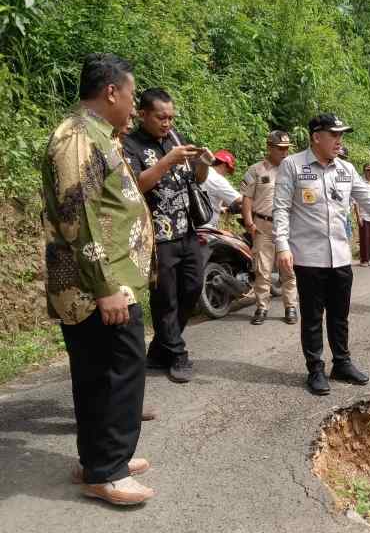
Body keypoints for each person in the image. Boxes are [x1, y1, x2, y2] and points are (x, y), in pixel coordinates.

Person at [42, 53, 155, 505]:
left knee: (99, 373)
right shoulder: (76, 138)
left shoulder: (96, 135)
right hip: (99, 287)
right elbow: (80, 218)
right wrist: (106, 288)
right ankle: (106, 470)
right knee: (116, 372)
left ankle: (103, 458)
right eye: (130, 95)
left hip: (108, 282)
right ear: (111, 91)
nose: (132, 105)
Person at [273, 113, 370, 395]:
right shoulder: (293, 165)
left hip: (339, 255)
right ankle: (315, 369)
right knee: (313, 317)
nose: (340, 140)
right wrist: (282, 245)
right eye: (334, 134)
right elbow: (281, 208)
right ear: (316, 137)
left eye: (342, 135)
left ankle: (342, 363)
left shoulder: (346, 170)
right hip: (308, 257)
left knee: (340, 314)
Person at [123, 88, 209, 384]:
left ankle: (160, 349)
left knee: (193, 287)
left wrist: (203, 164)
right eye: (161, 117)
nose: (167, 123)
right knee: (165, 298)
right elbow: (135, 186)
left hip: (187, 230)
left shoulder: (175, 138)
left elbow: (194, 179)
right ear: (143, 114)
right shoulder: (129, 144)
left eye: (171, 117)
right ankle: (176, 352)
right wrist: (166, 162)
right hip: (157, 236)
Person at [241, 130, 298, 325]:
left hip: (288, 226)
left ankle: (290, 306)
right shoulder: (256, 170)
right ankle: (261, 307)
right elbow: (247, 197)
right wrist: (248, 221)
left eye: (286, 149)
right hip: (263, 225)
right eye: (280, 149)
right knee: (262, 270)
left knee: (288, 269)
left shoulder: (292, 169)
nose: (284, 152)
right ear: (270, 147)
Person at [201, 149, 242, 229]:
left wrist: (220, 208)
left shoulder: (202, 172)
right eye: (228, 170)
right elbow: (239, 200)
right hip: (205, 227)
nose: (227, 174)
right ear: (223, 165)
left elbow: (208, 196)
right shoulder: (218, 179)